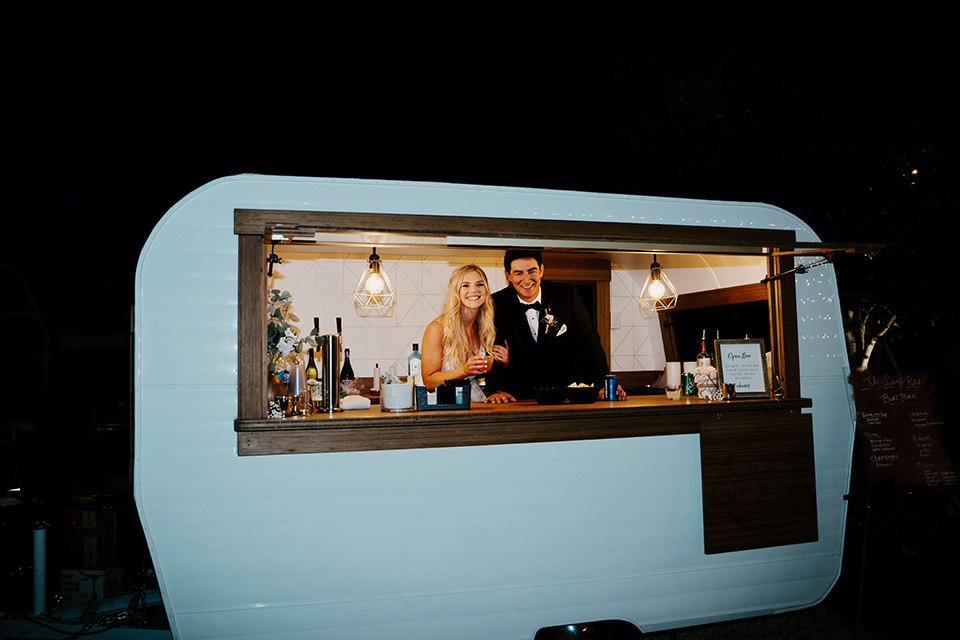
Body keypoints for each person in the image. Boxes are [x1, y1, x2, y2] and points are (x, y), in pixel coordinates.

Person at [485, 249, 626, 403]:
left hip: (565, 396)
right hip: (519, 398)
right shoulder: (496, 304)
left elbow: (589, 342)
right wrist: (496, 390)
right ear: (508, 275)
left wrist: (602, 384)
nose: (526, 280)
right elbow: (494, 353)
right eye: (518, 273)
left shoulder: (567, 295)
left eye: (532, 271)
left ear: (541, 270)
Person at [421, 265, 509, 402]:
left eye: (479, 284)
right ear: (456, 291)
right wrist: (463, 371)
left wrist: (504, 363)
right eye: (465, 285)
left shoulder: (484, 329)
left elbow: (492, 374)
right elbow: (429, 382)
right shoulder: (437, 329)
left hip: (476, 403)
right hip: (445, 405)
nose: (474, 290)